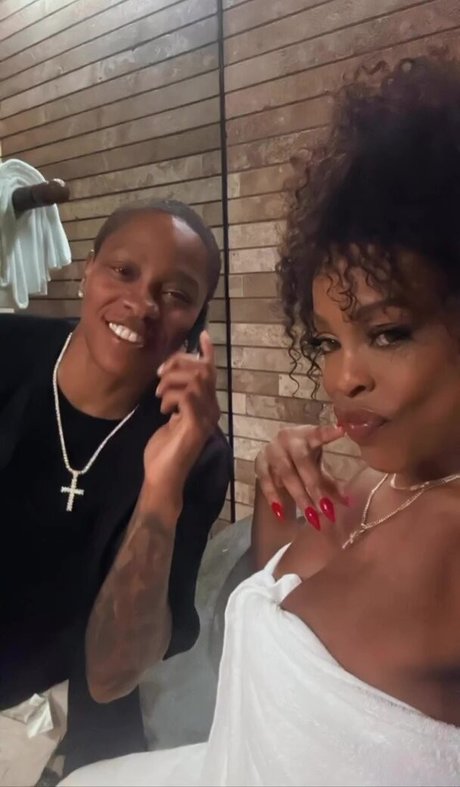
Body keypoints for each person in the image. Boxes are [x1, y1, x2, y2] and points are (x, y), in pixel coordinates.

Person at [61, 54, 460, 786]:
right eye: (327, 342)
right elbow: (274, 598)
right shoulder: (372, 486)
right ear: (87, 269)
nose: (342, 378)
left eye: (388, 332)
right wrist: (273, 492)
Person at [0, 199, 232, 777]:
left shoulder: (197, 451)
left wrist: (162, 487)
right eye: (123, 271)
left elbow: (111, 677)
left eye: (175, 294)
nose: (142, 303)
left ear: (197, 319)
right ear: (89, 269)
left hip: (61, 721)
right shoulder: (9, 353)